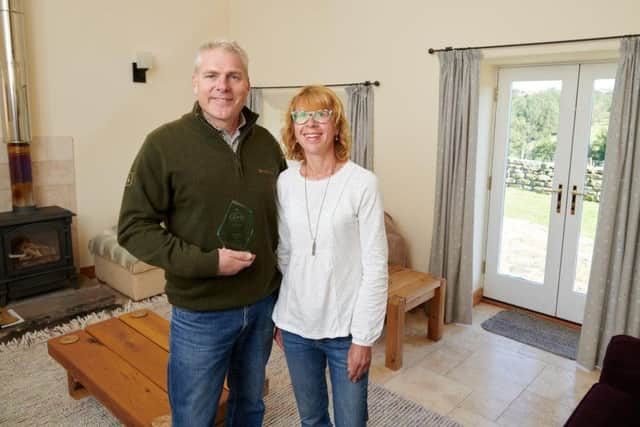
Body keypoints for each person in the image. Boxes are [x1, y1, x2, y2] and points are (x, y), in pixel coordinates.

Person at [117, 40, 286, 427]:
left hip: (261, 306)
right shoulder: (163, 144)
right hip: (201, 312)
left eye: (233, 76)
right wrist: (209, 263)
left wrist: (282, 294)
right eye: (211, 75)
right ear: (195, 83)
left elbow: (280, 223)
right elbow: (134, 228)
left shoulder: (266, 144)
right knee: (194, 416)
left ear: (247, 84)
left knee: (251, 406)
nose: (222, 86)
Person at [273, 85, 388, 427]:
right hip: (295, 327)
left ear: (336, 125)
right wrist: (280, 318)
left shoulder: (362, 183)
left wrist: (364, 337)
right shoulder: (285, 182)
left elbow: (375, 267)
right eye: (301, 116)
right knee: (311, 419)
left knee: (352, 422)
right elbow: (284, 254)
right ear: (293, 127)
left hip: (345, 331)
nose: (311, 123)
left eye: (320, 114)